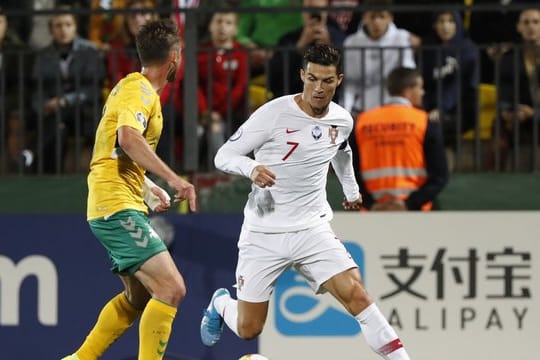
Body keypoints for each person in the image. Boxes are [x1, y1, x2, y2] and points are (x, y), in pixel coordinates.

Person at [200, 43, 411, 360]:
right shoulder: (273, 114)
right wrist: (252, 167)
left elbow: (342, 151)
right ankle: (220, 303)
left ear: (338, 80)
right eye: (312, 79)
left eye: (327, 81)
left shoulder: (342, 120)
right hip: (263, 232)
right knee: (248, 329)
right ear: (302, 75)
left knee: (357, 293)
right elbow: (224, 155)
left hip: (312, 228)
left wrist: (351, 190)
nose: (318, 88)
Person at [62, 19, 197, 360]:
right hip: (115, 204)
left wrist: (147, 187)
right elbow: (128, 138)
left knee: (138, 298)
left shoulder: (130, 88)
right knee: (171, 288)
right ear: (175, 57)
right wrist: (175, 179)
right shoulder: (139, 92)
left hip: (118, 200)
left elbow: (115, 149)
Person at [353, 67, 449, 211]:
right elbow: (440, 176)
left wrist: (371, 204)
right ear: (408, 90)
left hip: (372, 215)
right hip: (418, 214)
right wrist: (408, 204)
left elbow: (348, 174)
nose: (423, 93)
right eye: (420, 87)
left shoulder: (362, 122)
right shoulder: (424, 122)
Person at [31, 6, 105, 173]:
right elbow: (38, 88)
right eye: (58, 25)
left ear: (75, 27)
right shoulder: (43, 55)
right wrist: (42, 105)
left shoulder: (89, 51)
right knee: (56, 127)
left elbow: (93, 89)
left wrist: (65, 100)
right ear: (51, 29)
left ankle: (32, 161)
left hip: (84, 110)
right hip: (54, 112)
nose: (63, 30)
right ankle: (48, 176)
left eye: (67, 24)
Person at [342, 0, 417, 116]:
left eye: (382, 17)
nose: (377, 22)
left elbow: (407, 76)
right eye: (372, 17)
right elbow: (350, 85)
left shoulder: (402, 38)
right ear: (364, 17)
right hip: (361, 110)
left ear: (390, 18)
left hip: (393, 108)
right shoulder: (351, 43)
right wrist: (345, 114)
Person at [420, 10, 479, 151]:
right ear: (435, 25)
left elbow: (459, 85)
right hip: (431, 106)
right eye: (441, 21)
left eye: (450, 21)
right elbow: (423, 83)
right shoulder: (427, 48)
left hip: (460, 105)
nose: (445, 26)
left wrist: (441, 108)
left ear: (458, 24)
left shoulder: (468, 49)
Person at [197, 10, 249, 169]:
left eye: (228, 23)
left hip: (232, 112)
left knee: (217, 127)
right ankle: (202, 174)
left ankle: (224, 176)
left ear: (235, 29)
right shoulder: (200, 53)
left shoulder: (241, 53)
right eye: (218, 21)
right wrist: (205, 112)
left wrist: (220, 112)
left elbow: (240, 86)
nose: (222, 27)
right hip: (203, 114)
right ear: (210, 26)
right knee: (198, 131)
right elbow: (195, 85)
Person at [492, 8, 540, 171]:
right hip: (517, 115)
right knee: (499, 138)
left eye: (536, 22)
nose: (531, 27)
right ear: (518, 27)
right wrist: (509, 111)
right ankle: (493, 183)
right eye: (526, 22)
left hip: (536, 114)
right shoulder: (508, 59)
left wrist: (534, 113)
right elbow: (503, 93)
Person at [269, 0, 346, 98]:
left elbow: (347, 73)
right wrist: (299, 47)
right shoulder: (289, 39)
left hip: (329, 101)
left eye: (318, 10)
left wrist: (329, 47)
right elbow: (274, 77)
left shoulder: (338, 37)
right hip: (293, 98)